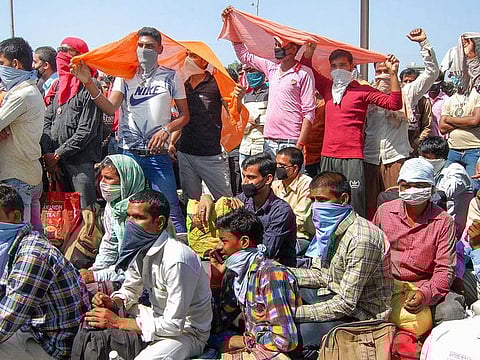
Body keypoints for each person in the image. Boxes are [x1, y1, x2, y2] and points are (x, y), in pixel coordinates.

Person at [71, 26, 189, 233]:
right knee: (129, 210)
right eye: (140, 45)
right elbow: (110, 107)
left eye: (150, 46)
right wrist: (88, 82)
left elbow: (184, 115)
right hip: (128, 156)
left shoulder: (171, 77)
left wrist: (167, 131)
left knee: (170, 212)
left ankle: (177, 257)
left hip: (157, 156)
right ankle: (132, 258)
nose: (144, 50)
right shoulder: (124, 76)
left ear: (160, 49)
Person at [82, 189, 212, 360]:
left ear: (159, 223)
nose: (130, 223)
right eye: (129, 216)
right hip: (155, 317)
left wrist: (118, 322)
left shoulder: (176, 259)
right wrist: (114, 302)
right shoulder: (140, 249)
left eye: (138, 217)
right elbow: (130, 289)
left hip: (187, 333)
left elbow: (174, 325)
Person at [290, 172, 393, 360]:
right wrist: (282, 273)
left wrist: (292, 314)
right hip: (331, 292)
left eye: (321, 199)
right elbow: (321, 275)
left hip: (360, 314)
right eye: (312, 200)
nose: (316, 206)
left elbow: (346, 303)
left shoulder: (362, 238)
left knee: (291, 335)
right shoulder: (329, 228)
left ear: (343, 199)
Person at [301, 41, 402, 217]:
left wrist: (393, 74)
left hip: (352, 156)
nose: (338, 69)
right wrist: (308, 52)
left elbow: (394, 103)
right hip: (328, 155)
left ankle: (358, 236)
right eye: (334, 66)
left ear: (351, 66)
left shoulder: (362, 90)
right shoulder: (327, 87)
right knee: (327, 197)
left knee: (354, 199)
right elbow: (306, 68)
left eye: (342, 65)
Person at [0, 184, 89, 360]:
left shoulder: (32, 254)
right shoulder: (14, 246)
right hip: (30, 328)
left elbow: (6, 322)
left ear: (15, 217)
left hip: (52, 345)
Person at [373, 158, 465, 326]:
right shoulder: (384, 212)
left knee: (452, 312)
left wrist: (425, 294)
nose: (412, 190)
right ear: (399, 186)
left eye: (420, 186)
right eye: (406, 185)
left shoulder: (443, 221)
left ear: (431, 188)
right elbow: (372, 253)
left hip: (425, 283)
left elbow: (445, 269)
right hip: (387, 283)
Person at [222, 6, 316, 157]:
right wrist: (231, 24)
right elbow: (244, 55)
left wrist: (299, 145)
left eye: (280, 45)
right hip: (268, 140)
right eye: (276, 44)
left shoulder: (304, 73)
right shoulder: (271, 67)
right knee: (270, 181)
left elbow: (309, 112)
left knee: (290, 181)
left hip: (291, 140)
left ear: (292, 49)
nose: (276, 48)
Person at [364, 29, 439, 218]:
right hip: (370, 158)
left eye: (386, 71)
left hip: (395, 158)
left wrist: (424, 44)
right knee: (370, 207)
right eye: (379, 71)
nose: (382, 76)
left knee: (395, 206)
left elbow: (432, 73)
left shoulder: (407, 94)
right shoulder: (367, 94)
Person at [210, 208, 301, 359]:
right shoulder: (235, 275)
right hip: (253, 346)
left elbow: (284, 340)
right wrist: (215, 282)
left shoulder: (270, 275)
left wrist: (247, 340)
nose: (218, 247)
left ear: (244, 242)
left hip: (271, 352)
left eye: (223, 241)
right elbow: (217, 325)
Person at [199, 153, 297, 267]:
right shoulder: (242, 200)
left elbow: (266, 251)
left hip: (274, 270)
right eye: (244, 176)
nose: (244, 182)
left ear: (268, 179)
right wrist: (206, 198)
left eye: (251, 177)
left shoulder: (281, 212)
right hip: (243, 262)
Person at [41, 37, 103, 211]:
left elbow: (86, 130)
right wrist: (49, 154)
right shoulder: (59, 85)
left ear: (80, 55)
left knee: (86, 211)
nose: (61, 54)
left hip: (80, 162)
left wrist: (57, 154)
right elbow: (47, 121)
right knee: (64, 212)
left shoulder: (90, 85)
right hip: (57, 163)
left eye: (67, 50)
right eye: (60, 49)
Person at [170, 50, 235, 202]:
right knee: (192, 202)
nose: (187, 60)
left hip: (211, 155)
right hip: (186, 153)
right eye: (186, 55)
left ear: (204, 61)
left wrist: (237, 101)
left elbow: (232, 112)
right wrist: (172, 142)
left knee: (225, 202)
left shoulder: (216, 83)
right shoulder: (183, 86)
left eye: (192, 56)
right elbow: (182, 117)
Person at [79, 154, 146, 285]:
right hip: (120, 272)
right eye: (101, 177)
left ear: (126, 180)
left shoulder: (143, 212)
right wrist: (96, 269)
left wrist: (97, 276)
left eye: (108, 178)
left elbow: (135, 267)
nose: (102, 183)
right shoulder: (114, 206)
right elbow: (110, 243)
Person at [0, 37, 45, 232]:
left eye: (2, 63)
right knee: (34, 234)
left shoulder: (21, 94)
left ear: (15, 64)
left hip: (18, 178)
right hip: (29, 175)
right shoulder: (29, 89)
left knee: (19, 237)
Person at [419, 136, 472, 239]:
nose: (423, 160)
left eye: (427, 157)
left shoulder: (456, 171)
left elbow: (441, 195)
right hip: (434, 226)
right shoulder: (431, 172)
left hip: (455, 232)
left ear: (440, 158)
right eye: (421, 156)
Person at [272, 147, 314, 255]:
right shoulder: (276, 184)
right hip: (275, 234)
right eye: (276, 164)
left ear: (295, 168)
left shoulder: (307, 185)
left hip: (299, 237)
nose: (277, 168)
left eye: (282, 166)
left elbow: (301, 219)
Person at [238, 66, 268, 169]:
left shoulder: (271, 94)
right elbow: (239, 121)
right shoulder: (245, 97)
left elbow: (270, 120)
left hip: (262, 148)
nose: (249, 75)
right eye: (247, 72)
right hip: (245, 147)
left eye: (252, 71)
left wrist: (254, 120)